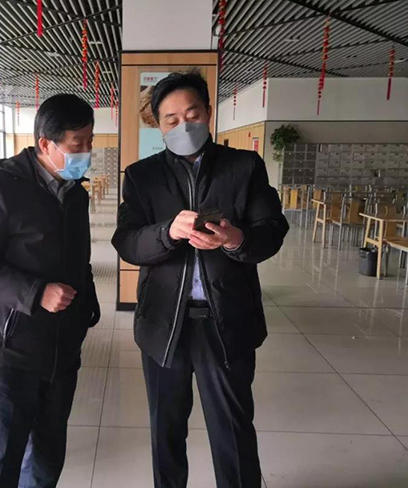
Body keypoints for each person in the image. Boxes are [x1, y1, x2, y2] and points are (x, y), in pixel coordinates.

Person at [112, 70, 289, 488]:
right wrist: (166, 233)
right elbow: (127, 242)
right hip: (163, 325)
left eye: (192, 114)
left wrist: (235, 239)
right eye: (171, 119)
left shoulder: (244, 167)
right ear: (158, 125)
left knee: (233, 430)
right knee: (166, 430)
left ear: (208, 112)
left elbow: (272, 230)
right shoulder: (142, 176)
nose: (183, 125)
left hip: (226, 320)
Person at [0, 93, 100, 488]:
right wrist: (36, 292)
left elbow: (78, 260)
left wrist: (86, 307)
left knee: (47, 463)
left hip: (61, 352)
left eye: (90, 141)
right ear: (45, 144)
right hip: (8, 354)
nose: (87, 152)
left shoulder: (76, 193)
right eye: (78, 144)